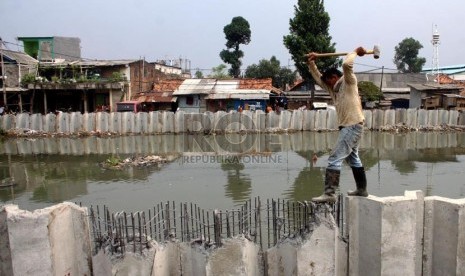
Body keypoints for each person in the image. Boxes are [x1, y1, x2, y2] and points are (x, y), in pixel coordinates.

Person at [307, 47, 368, 203]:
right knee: (353, 159)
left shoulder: (349, 81)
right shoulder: (334, 89)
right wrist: (312, 62)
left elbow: (347, 65)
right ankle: (362, 190)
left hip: (352, 125)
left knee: (334, 158)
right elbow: (319, 79)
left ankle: (329, 194)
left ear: (334, 77)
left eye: (329, 81)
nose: (327, 84)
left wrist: (354, 52)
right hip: (352, 125)